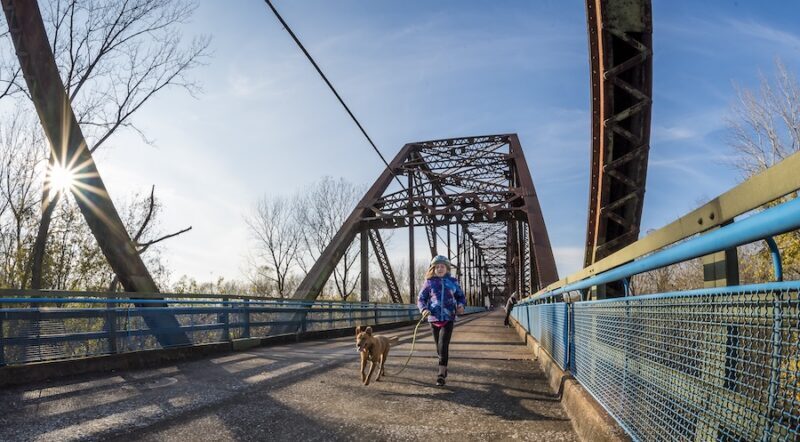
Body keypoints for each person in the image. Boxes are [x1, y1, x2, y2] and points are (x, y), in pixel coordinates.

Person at [417, 255, 466, 386]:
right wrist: (423, 309)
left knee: (443, 345)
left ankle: (441, 374)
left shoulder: (453, 281)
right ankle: (444, 367)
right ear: (433, 268)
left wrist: (461, 305)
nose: (440, 269)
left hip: (449, 317)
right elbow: (421, 299)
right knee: (438, 347)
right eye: (437, 266)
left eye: (442, 266)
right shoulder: (429, 282)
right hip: (433, 318)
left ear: (447, 268)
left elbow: (461, 296)